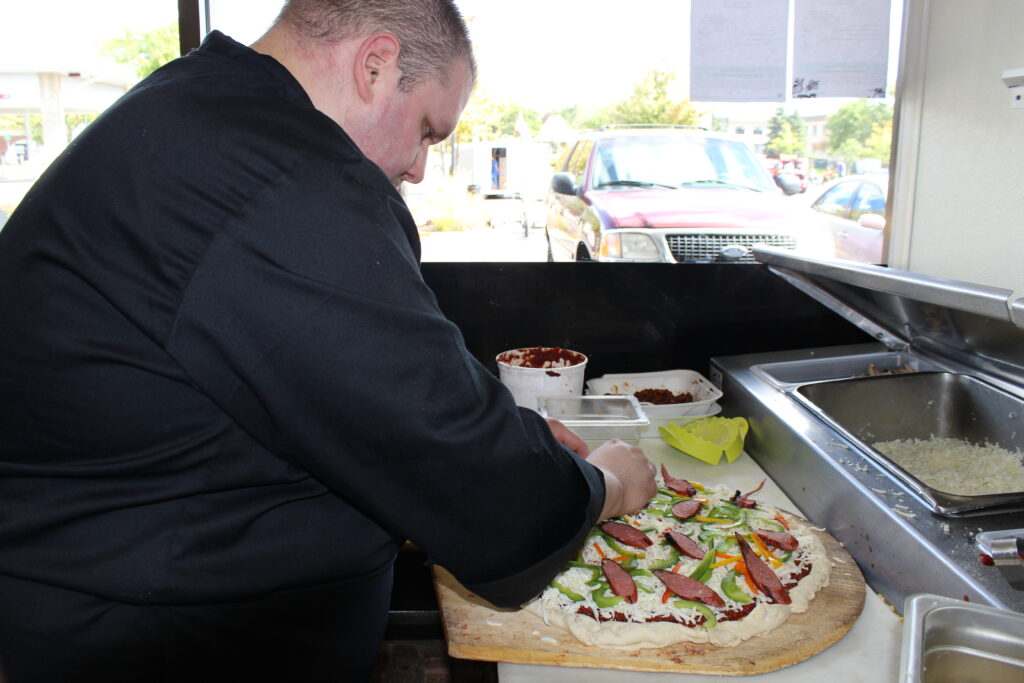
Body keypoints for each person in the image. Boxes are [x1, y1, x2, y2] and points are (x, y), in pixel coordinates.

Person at [0, 1, 656, 682]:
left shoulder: (200, 110)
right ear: (375, 66)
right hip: (160, 639)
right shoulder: (277, 178)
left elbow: (350, 381)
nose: (421, 168)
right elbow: (464, 466)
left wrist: (507, 432)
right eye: (430, 131)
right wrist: (605, 483)